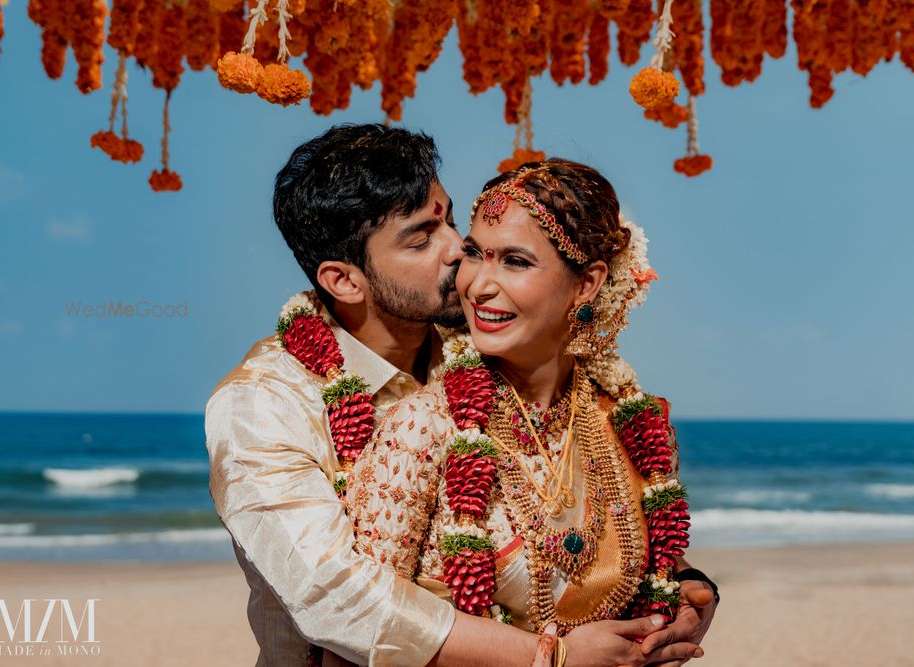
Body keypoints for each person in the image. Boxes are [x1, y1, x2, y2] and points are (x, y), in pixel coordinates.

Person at [206, 124, 713, 667]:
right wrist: (552, 658)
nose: (459, 254)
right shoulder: (263, 405)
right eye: (422, 239)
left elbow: (577, 506)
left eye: (450, 221)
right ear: (345, 281)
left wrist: (683, 587)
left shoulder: (491, 347)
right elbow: (338, 598)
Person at [344, 158, 719, 665]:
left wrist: (687, 601)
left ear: (586, 284)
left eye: (515, 261)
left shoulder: (633, 424)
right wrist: (553, 658)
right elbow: (358, 638)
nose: (478, 285)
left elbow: (658, 580)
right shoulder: (426, 426)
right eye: (475, 254)